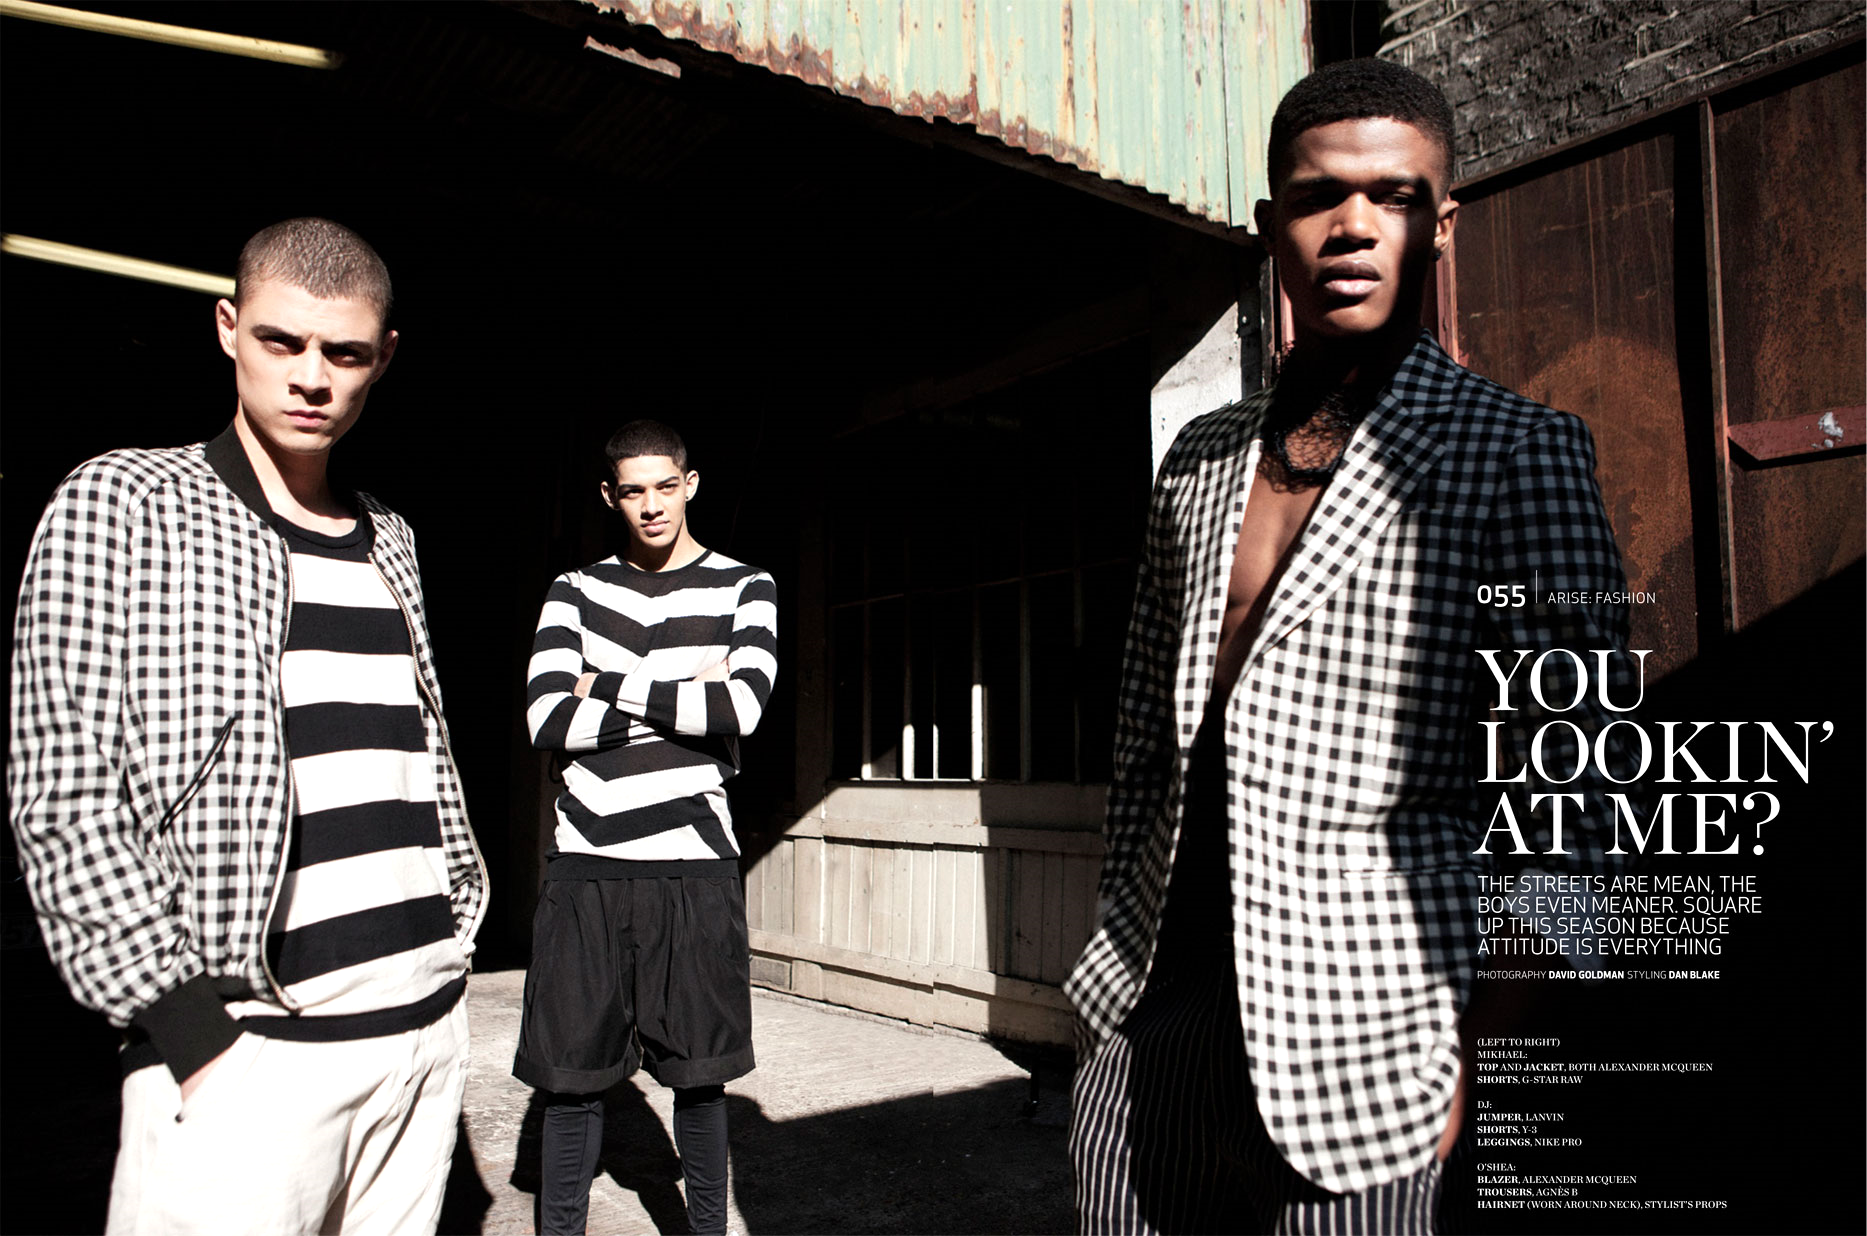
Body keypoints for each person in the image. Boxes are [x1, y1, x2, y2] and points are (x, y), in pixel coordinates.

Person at [1064, 59, 1637, 1233]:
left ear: (1442, 226)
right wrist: (1107, 969)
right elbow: (1142, 746)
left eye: (1395, 196)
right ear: (1271, 224)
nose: (1355, 227)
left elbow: (1573, 802)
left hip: (1371, 1060)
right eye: (1321, 196)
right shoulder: (1200, 458)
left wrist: (1485, 1059)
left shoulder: (1517, 452)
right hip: (1151, 1023)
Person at [8, 217, 489, 1234]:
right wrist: (188, 1031)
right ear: (229, 328)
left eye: (343, 353)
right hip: (246, 1054)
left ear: (382, 358)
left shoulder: (390, 538)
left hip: (422, 1040)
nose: (311, 378)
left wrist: (454, 961)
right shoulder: (123, 502)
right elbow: (65, 792)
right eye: (281, 341)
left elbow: (418, 763)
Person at [514, 419, 777, 1236]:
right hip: (586, 862)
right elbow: (546, 718)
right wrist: (683, 692)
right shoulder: (574, 589)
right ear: (610, 496)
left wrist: (604, 682)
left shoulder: (746, 585)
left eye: (666, 486)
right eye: (634, 491)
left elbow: (741, 707)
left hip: (695, 863)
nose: (652, 506)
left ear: (690, 484)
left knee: (699, 1080)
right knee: (570, 1083)